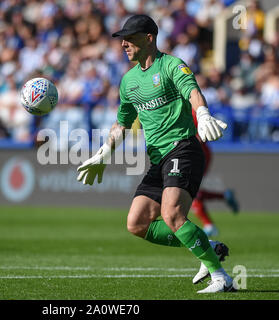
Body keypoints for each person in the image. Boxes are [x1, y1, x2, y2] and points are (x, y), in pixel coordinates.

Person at [76, 15, 236, 293]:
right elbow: (123, 123)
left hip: (183, 148)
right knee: (136, 223)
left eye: (130, 38)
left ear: (149, 38)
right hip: (158, 158)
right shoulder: (128, 81)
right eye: (122, 39)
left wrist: (203, 112)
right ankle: (205, 246)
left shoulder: (172, 65)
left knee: (172, 214)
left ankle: (220, 277)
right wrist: (103, 153)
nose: (124, 43)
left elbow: (193, 92)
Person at [191, 109, 240, 237]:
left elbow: (204, 133)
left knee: (190, 191)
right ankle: (224, 196)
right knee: (191, 192)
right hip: (195, 151)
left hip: (198, 152)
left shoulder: (192, 110)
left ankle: (209, 225)